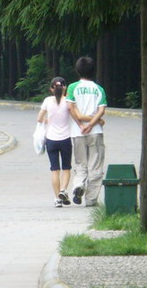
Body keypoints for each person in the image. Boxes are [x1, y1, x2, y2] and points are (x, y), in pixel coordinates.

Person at [66, 56, 106, 206]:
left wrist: (80, 124)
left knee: (80, 163)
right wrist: (91, 124)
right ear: (93, 71)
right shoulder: (98, 89)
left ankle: (78, 186)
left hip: (77, 132)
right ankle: (91, 200)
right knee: (95, 165)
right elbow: (101, 111)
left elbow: (70, 108)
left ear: (77, 70)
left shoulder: (72, 87)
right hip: (95, 131)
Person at [37, 77, 73, 208]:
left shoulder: (47, 101)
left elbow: (39, 118)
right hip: (65, 139)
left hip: (51, 140)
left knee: (55, 170)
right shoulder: (68, 101)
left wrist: (49, 122)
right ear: (65, 87)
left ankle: (57, 198)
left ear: (51, 88)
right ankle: (63, 190)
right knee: (66, 168)